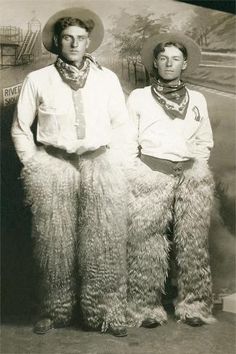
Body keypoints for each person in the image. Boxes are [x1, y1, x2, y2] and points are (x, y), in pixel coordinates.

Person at [11, 7, 132, 337]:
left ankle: (105, 312)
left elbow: (123, 125)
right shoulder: (37, 80)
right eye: (68, 38)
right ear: (57, 41)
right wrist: (35, 163)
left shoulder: (107, 79)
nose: (75, 44)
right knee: (55, 245)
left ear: (89, 42)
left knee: (103, 245)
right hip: (54, 166)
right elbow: (21, 128)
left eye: (80, 38)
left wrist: (118, 163)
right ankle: (54, 310)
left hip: (100, 165)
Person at [126, 32, 215, 328]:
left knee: (193, 243)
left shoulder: (197, 98)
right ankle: (144, 306)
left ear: (184, 64)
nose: (168, 63)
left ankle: (194, 305)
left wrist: (196, 167)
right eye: (163, 58)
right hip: (151, 174)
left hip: (190, 176)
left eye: (175, 59)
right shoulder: (139, 97)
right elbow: (128, 141)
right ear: (155, 62)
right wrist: (136, 172)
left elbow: (204, 140)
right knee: (147, 242)